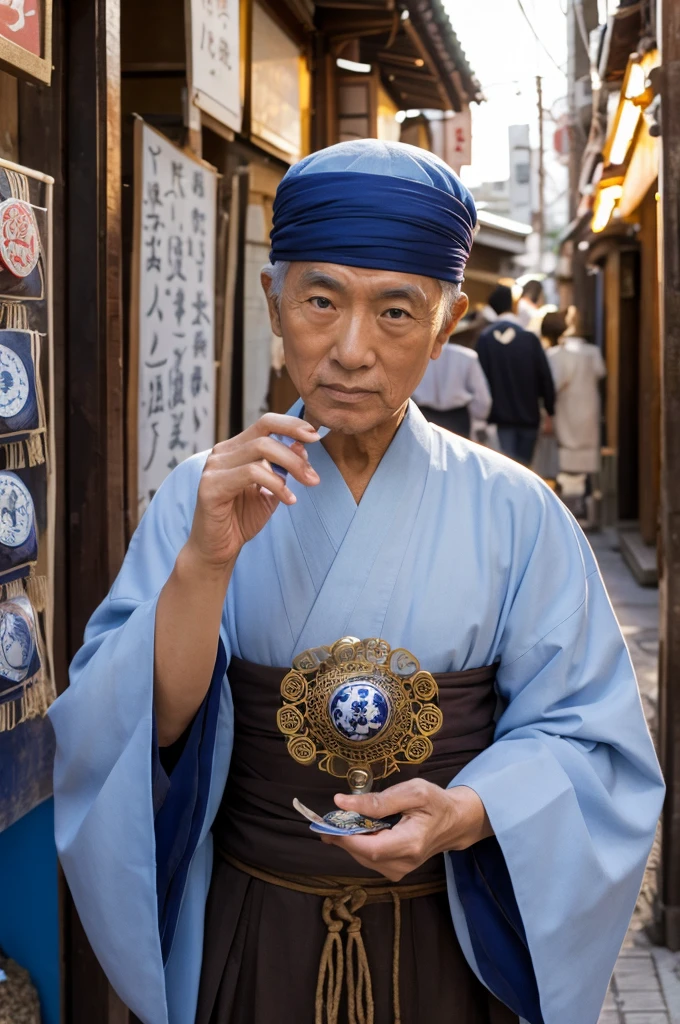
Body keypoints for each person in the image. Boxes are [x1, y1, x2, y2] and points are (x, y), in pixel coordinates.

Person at [49, 140, 663, 1024]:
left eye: (396, 313)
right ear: (274, 300)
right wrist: (206, 564)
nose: (350, 350)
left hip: (449, 937)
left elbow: (590, 740)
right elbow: (143, 728)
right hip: (253, 925)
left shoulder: (517, 511)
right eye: (321, 300)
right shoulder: (202, 491)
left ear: (447, 325)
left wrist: (467, 810)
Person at [476, 285, 556, 466]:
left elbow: (480, 381)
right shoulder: (529, 338)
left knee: (505, 470)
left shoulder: (485, 339)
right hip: (529, 418)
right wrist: (550, 411)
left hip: (499, 420)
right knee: (525, 471)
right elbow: (545, 377)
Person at [547, 306, 606, 478]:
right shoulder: (592, 352)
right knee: (586, 453)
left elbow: (554, 384)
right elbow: (600, 372)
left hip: (567, 407)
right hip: (588, 406)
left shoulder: (556, 354)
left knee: (567, 451)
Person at [412, 336, 491, 437]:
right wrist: (478, 419)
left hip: (426, 415)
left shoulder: (416, 356)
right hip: (457, 417)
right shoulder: (467, 356)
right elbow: (482, 397)